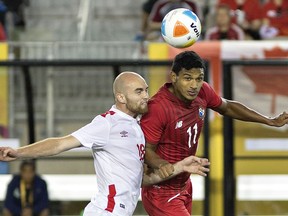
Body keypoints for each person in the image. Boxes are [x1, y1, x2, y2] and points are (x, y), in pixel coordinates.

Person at [0, 71, 210, 216]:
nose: (146, 96)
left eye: (146, 90)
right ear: (121, 96)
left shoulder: (136, 128)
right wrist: (18, 152)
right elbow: (60, 143)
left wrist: (180, 166)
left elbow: (140, 180)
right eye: (138, 91)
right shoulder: (107, 123)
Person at [140, 51, 288, 216]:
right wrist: (162, 164)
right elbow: (145, 149)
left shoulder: (203, 91)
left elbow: (228, 107)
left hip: (184, 185)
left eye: (199, 78)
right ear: (174, 77)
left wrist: (269, 120)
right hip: (161, 190)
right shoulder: (158, 108)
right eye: (187, 78)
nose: (194, 85)